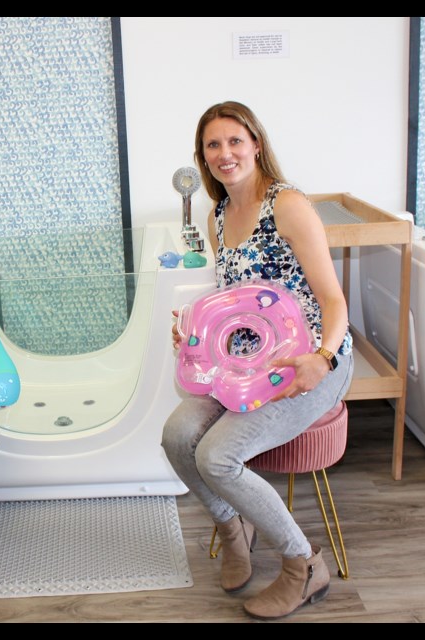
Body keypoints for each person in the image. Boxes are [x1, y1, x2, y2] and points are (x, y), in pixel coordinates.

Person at [161, 101, 354, 620]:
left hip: (307, 361)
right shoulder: (219, 214)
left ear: (256, 143)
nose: (225, 154)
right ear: (203, 157)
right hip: (248, 363)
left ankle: (303, 565)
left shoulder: (287, 205)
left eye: (234, 141)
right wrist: (195, 338)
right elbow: (235, 303)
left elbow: (334, 301)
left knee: (216, 457)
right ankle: (234, 526)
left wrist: (323, 358)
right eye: (212, 146)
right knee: (177, 436)